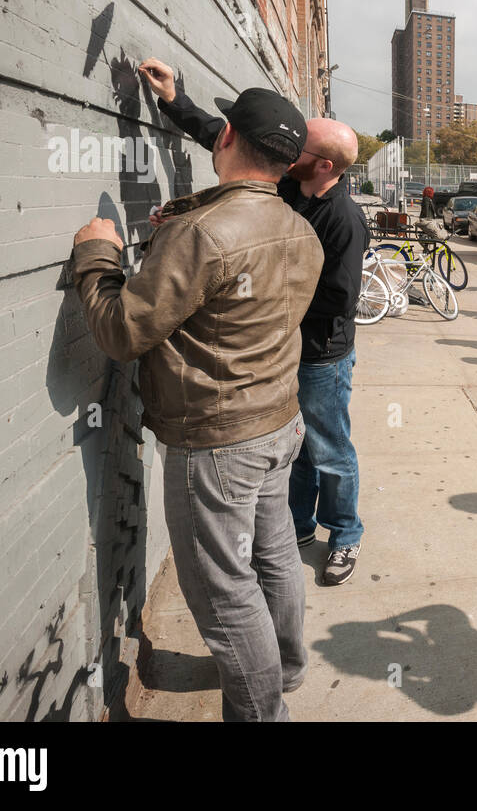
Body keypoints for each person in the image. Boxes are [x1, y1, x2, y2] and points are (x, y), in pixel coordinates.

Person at [72, 85, 323, 722]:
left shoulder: (203, 234)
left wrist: (98, 253)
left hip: (217, 441)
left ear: (229, 137)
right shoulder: (301, 230)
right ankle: (287, 667)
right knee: (273, 557)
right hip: (278, 422)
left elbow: (123, 330)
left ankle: (263, 711)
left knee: (224, 592)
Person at [141, 58, 372, 587]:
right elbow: (228, 140)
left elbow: (338, 301)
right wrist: (174, 100)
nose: (287, 155)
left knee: (330, 449)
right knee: (300, 449)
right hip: (287, 349)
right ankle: (299, 526)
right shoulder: (291, 189)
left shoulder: (343, 220)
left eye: (300, 151)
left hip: (321, 358)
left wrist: (266, 303)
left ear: (323, 166)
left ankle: (346, 534)